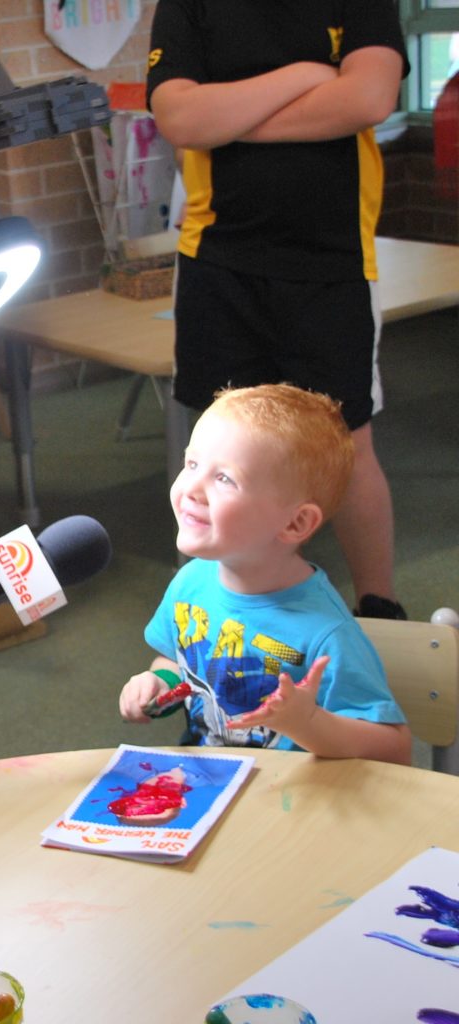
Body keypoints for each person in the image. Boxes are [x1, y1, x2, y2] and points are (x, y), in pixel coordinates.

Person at [146, 0, 409, 620]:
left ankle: (380, 608)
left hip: (332, 259)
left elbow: (369, 99)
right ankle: (207, 621)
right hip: (219, 256)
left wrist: (230, 116)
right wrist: (308, 75)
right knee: (216, 449)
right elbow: (181, 118)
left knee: (346, 440)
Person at [118, 384, 411, 764]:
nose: (191, 488)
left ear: (295, 523)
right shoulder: (189, 585)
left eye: (224, 478)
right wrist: (159, 683)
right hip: (211, 783)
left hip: (296, 803)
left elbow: (395, 748)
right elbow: (177, 664)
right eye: (191, 465)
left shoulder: (325, 633)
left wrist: (308, 721)